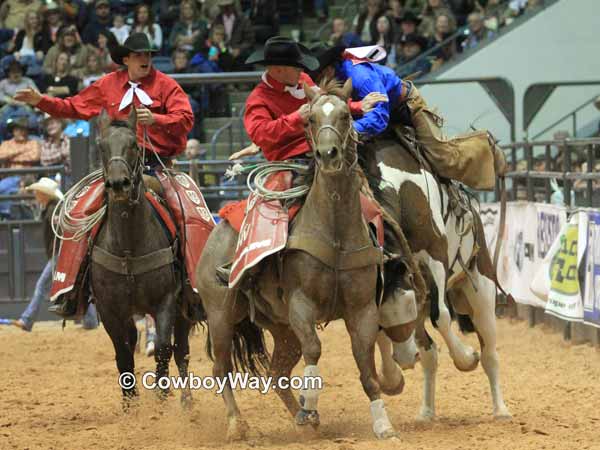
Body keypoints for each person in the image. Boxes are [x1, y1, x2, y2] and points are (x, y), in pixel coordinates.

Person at [14, 32, 204, 318]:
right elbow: (74, 107)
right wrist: (41, 100)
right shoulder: (107, 85)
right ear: (126, 59)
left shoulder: (166, 85)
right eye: (139, 55)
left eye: (148, 54)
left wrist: (158, 119)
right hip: (116, 167)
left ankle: (196, 285)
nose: (145, 59)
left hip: (158, 165)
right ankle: (73, 288)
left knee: (190, 212)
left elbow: (187, 119)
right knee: (77, 213)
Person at [309, 43, 506, 192]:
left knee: (442, 157)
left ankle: (483, 145)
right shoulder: (338, 77)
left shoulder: (361, 76)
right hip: (374, 111)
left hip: (405, 105)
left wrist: (350, 130)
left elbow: (379, 117)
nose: (317, 82)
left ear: (327, 70)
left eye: (317, 76)